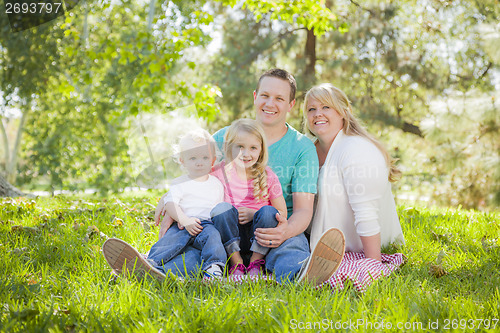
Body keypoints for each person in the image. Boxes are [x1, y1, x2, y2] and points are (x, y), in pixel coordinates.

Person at [155, 69, 344, 285]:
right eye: (265, 95)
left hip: (271, 229)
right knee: (197, 245)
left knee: (290, 248)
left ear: (291, 105)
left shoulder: (302, 148)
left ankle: (303, 276)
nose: (270, 103)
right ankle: (159, 271)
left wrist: (285, 231)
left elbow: (302, 210)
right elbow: (193, 172)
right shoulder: (227, 136)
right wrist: (170, 200)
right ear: (255, 97)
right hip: (222, 228)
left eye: (279, 98)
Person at [103, 129, 227, 279]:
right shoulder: (179, 183)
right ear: (182, 160)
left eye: (205, 158)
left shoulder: (217, 184)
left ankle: (213, 268)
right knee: (170, 242)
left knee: (211, 241)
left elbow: (219, 209)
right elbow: (171, 204)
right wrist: (184, 220)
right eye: (193, 158)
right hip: (182, 224)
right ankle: (150, 263)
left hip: (206, 225)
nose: (199, 162)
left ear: (213, 160)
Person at [303, 83, 405, 261]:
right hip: (314, 242)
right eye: (312, 109)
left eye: (326, 106)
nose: (317, 113)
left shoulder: (358, 150)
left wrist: (372, 264)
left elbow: (366, 213)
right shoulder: (308, 150)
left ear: (343, 111)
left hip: (354, 246)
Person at [209, 119, 287, 277]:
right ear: (229, 148)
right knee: (220, 210)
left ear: (261, 150)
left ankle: (254, 264)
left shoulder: (268, 176)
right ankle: (236, 263)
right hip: (229, 235)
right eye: (240, 147)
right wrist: (168, 198)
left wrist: (254, 214)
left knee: (269, 212)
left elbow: (282, 213)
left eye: (253, 148)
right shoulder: (219, 171)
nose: (246, 154)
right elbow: (194, 183)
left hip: (258, 237)